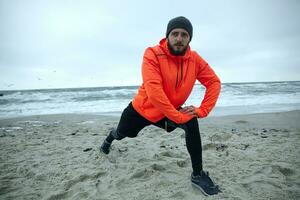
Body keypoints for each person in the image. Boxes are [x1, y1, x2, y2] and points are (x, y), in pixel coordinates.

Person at [100, 16, 221, 196]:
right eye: (175, 34)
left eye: (184, 35)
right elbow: (154, 91)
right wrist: (178, 116)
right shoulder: (152, 54)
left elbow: (214, 82)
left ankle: (197, 174)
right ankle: (110, 138)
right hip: (142, 110)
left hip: (168, 112)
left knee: (192, 122)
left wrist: (201, 110)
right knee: (122, 133)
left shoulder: (194, 60)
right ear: (167, 35)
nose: (179, 38)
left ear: (190, 39)